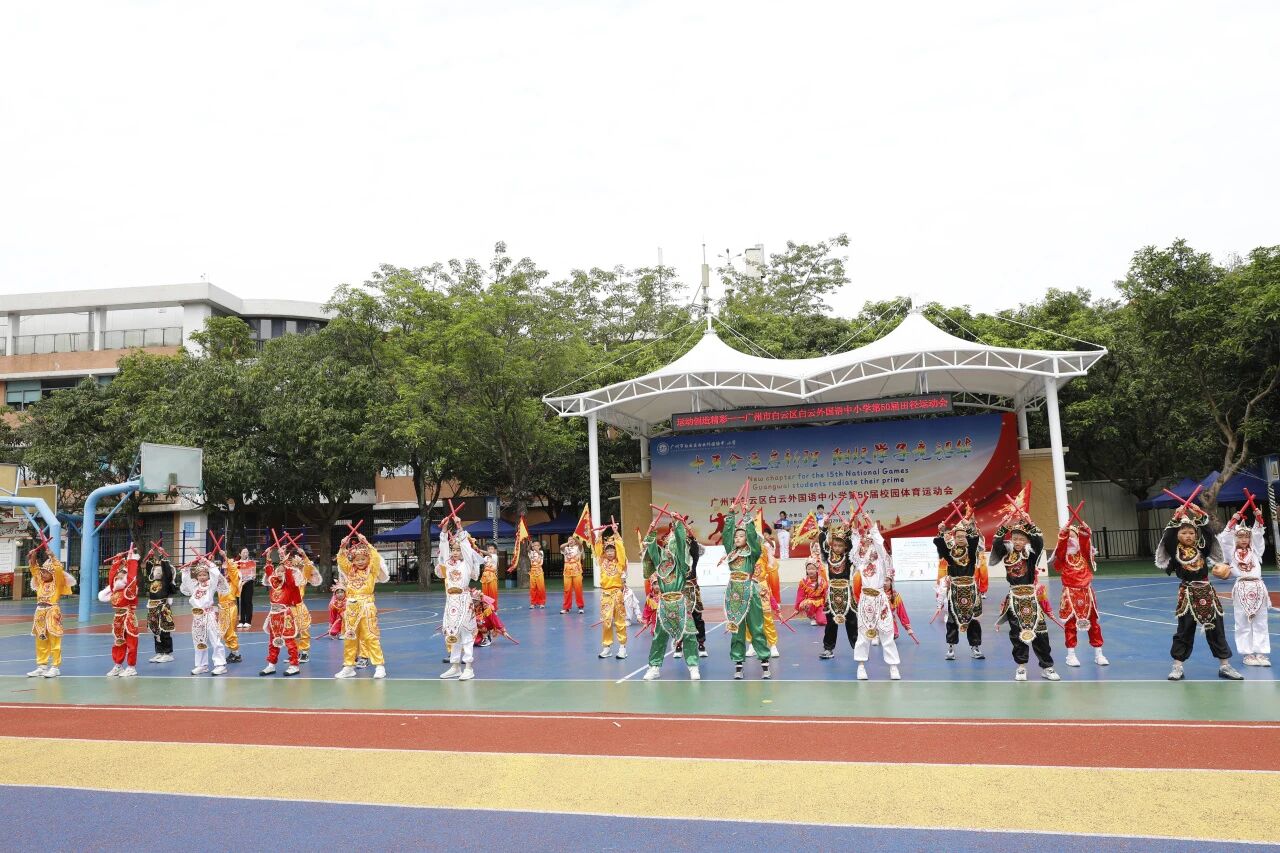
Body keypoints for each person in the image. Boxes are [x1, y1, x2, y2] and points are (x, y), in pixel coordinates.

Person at [1156, 507, 1242, 680]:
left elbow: (1208, 534)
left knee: (1216, 629)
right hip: (1188, 593)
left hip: (1207, 592)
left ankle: (1225, 666)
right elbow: (1168, 536)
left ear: (1196, 535)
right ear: (1178, 535)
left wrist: (1200, 516)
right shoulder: (1174, 548)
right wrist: (1176, 517)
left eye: (1191, 533)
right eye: (1183, 533)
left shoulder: (1202, 548)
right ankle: (1177, 667)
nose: (1188, 536)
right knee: (1184, 630)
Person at [992, 512, 1059, 682]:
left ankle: (1047, 667)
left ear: (1027, 541)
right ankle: (1021, 667)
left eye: (1021, 539)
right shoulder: (1007, 553)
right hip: (1014, 599)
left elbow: (1039, 542)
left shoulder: (1031, 555)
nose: (1017, 541)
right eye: (1015, 538)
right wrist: (1004, 526)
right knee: (1017, 635)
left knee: (1041, 634)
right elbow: (997, 543)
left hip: (1031, 598)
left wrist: (1030, 524)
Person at [640, 517, 701, 681]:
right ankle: (654, 667)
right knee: (659, 636)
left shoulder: (680, 564)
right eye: (667, 543)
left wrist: (677, 524)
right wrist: (652, 530)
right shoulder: (660, 563)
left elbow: (681, 544)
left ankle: (693, 666)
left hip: (681, 603)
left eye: (672, 543)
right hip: (664, 604)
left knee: (689, 634)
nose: (670, 546)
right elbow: (652, 548)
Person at [722, 506, 771, 680]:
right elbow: (726, 535)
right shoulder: (731, 552)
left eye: (741, 536)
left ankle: (765, 664)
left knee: (757, 628)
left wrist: (747, 516)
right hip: (733, 594)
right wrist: (731, 515)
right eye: (736, 536)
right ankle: (738, 665)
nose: (737, 538)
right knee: (736, 630)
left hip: (750, 593)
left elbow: (752, 537)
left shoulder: (752, 553)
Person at [851, 515, 900, 680]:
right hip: (865, 599)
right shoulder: (860, 560)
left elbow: (879, 542)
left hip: (880, 598)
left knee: (887, 631)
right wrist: (854, 526)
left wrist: (871, 524)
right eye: (865, 539)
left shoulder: (881, 557)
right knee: (863, 633)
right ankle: (861, 666)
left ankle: (893, 666)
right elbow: (854, 543)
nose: (867, 541)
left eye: (869, 538)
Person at [1219, 506, 1269, 667]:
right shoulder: (1230, 553)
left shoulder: (1256, 551)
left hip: (1258, 587)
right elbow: (1225, 539)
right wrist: (1233, 521)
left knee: (1261, 621)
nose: (1244, 540)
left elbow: (1258, 534)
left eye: (1247, 537)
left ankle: (1261, 653)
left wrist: (1258, 518)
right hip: (1241, 588)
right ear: (1235, 538)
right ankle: (1247, 654)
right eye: (1240, 536)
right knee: (1242, 622)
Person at [334, 532, 389, 679]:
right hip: (351, 608)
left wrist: (367, 543)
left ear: (368, 559)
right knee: (350, 637)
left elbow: (376, 557)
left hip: (367, 606)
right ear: (353, 561)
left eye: (363, 559)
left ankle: (379, 666)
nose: (360, 562)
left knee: (371, 636)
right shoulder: (350, 571)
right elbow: (341, 560)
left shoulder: (372, 571)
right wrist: (343, 546)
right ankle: (348, 666)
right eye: (357, 559)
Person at [1055, 519, 1108, 667]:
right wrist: (1063, 534)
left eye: (1073, 536)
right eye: (1068, 537)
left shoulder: (1083, 554)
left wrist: (1085, 532)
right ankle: (1071, 655)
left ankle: (1099, 654)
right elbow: (1061, 547)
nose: (1071, 540)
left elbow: (1085, 542)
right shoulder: (1063, 556)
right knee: (1070, 625)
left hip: (1086, 592)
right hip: (1070, 593)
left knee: (1094, 624)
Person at [437, 518, 482, 680]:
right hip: (451, 601)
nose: (455, 552)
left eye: (458, 549)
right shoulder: (448, 563)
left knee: (466, 633)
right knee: (452, 633)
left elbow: (466, 547)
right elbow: (443, 550)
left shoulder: (467, 563)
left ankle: (468, 667)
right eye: (453, 549)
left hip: (464, 600)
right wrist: (444, 531)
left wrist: (459, 527)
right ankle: (455, 666)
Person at [934, 518, 984, 661]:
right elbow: (940, 545)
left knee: (973, 619)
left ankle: (975, 647)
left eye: (963, 536)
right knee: (952, 619)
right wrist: (941, 531)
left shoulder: (971, 551)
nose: (961, 539)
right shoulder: (950, 553)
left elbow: (974, 539)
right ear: (954, 538)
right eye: (958, 536)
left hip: (971, 590)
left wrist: (969, 527)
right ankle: (951, 647)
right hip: (955, 590)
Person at [27, 546, 75, 679]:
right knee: (41, 639)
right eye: (42, 572)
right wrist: (33, 556)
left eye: (46, 572)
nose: (42, 574)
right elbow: (34, 569)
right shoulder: (40, 581)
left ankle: (55, 667)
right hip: (40, 613)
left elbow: (58, 569)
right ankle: (42, 666)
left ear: (52, 573)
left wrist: (52, 556)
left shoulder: (57, 581)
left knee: (55, 640)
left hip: (52, 611)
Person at [181, 555, 230, 676]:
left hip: (209, 615)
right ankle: (202, 665)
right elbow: (186, 581)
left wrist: (208, 563)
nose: (202, 577)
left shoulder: (211, 585)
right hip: (197, 617)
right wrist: (186, 570)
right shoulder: (194, 586)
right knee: (199, 640)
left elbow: (215, 574)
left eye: (204, 574)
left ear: (208, 575)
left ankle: (220, 665)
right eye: (200, 575)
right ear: (196, 576)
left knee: (215, 639)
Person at [259, 547, 302, 677]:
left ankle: (294, 665)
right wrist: (268, 557)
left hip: (285, 615)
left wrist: (285, 561)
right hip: (274, 616)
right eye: (278, 569)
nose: (280, 571)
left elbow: (289, 577)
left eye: (283, 570)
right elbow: (269, 571)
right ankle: (271, 664)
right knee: (273, 641)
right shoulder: (273, 583)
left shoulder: (289, 584)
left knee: (289, 641)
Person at [819, 517, 857, 660]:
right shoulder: (828, 555)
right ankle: (828, 648)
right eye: (835, 545)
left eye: (841, 545)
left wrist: (848, 530)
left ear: (845, 546)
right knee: (830, 622)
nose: (837, 548)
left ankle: (857, 647)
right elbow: (822, 543)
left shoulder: (848, 557)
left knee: (851, 621)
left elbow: (852, 546)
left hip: (846, 592)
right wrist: (825, 527)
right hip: (832, 594)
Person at [98, 547, 140, 677]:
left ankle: (131, 667)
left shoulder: (129, 591)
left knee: (131, 643)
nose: (118, 579)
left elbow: (132, 578)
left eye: (121, 577)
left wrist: (131, 561)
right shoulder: (115, 591)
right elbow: (111, 578)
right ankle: (118, 665)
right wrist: (117, 561)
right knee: (118, 642)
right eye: (118, 577)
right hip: (118, 619)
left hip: (128, 617)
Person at [281, 544, 320, 663]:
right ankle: (294, 653)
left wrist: (304, 555)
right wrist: (282, 554)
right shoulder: (286, 575)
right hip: (288, 608)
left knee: (303, 630)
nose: (296, 565)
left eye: (298, 563)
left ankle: (304, 653)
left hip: (299, 607)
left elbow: (308, 566)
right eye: (293, 563)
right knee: (291, 631)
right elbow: (281, 568)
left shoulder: (303, 575)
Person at [594, 527, 628, 659]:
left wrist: (616, 533)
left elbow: (621, 549)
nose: (609, 553)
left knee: (620, 621)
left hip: (617, 594)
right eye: (607, 550)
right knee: (606, 621)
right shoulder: (602, 561)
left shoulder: (620, 562)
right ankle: (607, 647)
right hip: (605, 595)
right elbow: (597, 550)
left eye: (612, 550)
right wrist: (600, 535)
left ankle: (622, 647)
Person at [144, 550, 178, 663]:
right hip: (152, 608)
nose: (157, 572)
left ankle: (167, 653)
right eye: (155, 570)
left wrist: (163, 557)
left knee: (164, 630)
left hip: (163, 608)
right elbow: (149, 569)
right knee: (155, 631)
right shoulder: (152, 581)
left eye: (160, 570)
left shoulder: (165, 581)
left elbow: (167, 571)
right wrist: (151, 557)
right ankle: (159, 652)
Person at [217, 550, 242, 664]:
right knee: (225, 631)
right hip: (222, 609)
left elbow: (233, 571)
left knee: (230, 631)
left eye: (227, 569)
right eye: (225, 570)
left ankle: (236, 654)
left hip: (231, 608)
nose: (226, 572)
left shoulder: (234, 582)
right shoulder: (222, 583)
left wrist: (225, 557)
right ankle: (233, 652)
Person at [795, 557, 828, 626]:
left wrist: (827, 605)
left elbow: (826, 594)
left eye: (813, 569)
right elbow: (800, 596)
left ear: (817, 569)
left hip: (820, 604)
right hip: (810, 604)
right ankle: (812, 617)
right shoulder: (803, 581)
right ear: (806, 570)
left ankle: (819, 616)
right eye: (808, 569)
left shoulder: (822, 581)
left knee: (822, 622)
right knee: (807, 603)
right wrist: (797, 608)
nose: (810, 571)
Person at [884, 568, 914, 643]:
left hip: (889, 621)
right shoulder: (875, 594)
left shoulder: (895, 596)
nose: (884, 583)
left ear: (891, 582)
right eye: (882, 581)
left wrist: (908, 628)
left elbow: (902, 612)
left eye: (887, 580)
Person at [560, 536, 585, 614]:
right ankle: (566, 608)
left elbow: (580, 544)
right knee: (567, 590)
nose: (571, 541)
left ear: (575, 541)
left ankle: (580, 607)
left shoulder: (578, 548)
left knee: (578, 589)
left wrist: (576, 538)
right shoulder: (566, 548)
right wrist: (568, 542)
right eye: (569, 539)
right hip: (567, 571)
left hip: (577, 571)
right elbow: (561, 547)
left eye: (572, 540)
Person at [236, 548, 257, 629]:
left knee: (247, 601)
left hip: (248, 584)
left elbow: (253, 575)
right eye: (244, 552)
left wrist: (245, 581)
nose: (245, 553)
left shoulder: (252, 562)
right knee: (240, 602)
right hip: (239, 584)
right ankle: (241, 621)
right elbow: (235, 574)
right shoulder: (236, 563)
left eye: (247, 552)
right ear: (240, 554)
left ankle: (248, 621)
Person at [527, 539, 547, 609]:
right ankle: (533, 603)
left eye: (537, 545)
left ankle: (542, 603)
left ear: (540, 546)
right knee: (532, 588)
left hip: (539, 571)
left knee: (541, 588)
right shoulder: (531, 553)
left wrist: (535, 548)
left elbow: (539, 553)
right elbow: (528, 549)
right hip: (532, 571)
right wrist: (530, 544)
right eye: (534, 545)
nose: (535, 546)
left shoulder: (541, 552)